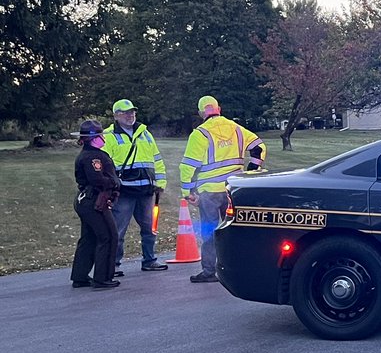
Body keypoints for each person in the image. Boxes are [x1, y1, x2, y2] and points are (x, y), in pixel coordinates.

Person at [180, 96, 266, 283]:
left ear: (202, 112)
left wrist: (188, 192)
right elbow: (258, 147)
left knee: (210, 232)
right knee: (233, 230)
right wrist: (251, 172)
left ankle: (209, 271)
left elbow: (188, 166)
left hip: (209, 192)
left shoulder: (200, 134)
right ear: (219, 108)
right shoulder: (236, 129)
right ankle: (239, 267)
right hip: (232, 189)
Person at [102, 98, 168, 275]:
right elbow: (105, 164)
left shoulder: (145, 133)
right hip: (124, 191)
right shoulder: (109, 136)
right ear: (116, 115)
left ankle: (149, 260)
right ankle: (113, 264)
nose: (130, 115)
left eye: (132, 112)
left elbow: (157, 160)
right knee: (118, 230)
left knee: (149, 228)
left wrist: (160, 183)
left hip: (146, 190)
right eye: (126, 112)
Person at [70, 120, 121, 289]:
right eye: (99, 135)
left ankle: (80, 276)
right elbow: (97, 179)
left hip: (85, 200)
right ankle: (103, 278)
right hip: (95, 201)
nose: (102, 138)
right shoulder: (93, 157)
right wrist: (114, 182)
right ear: (92, 138)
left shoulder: (86, 154)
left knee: (89, 238)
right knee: (108, 236)